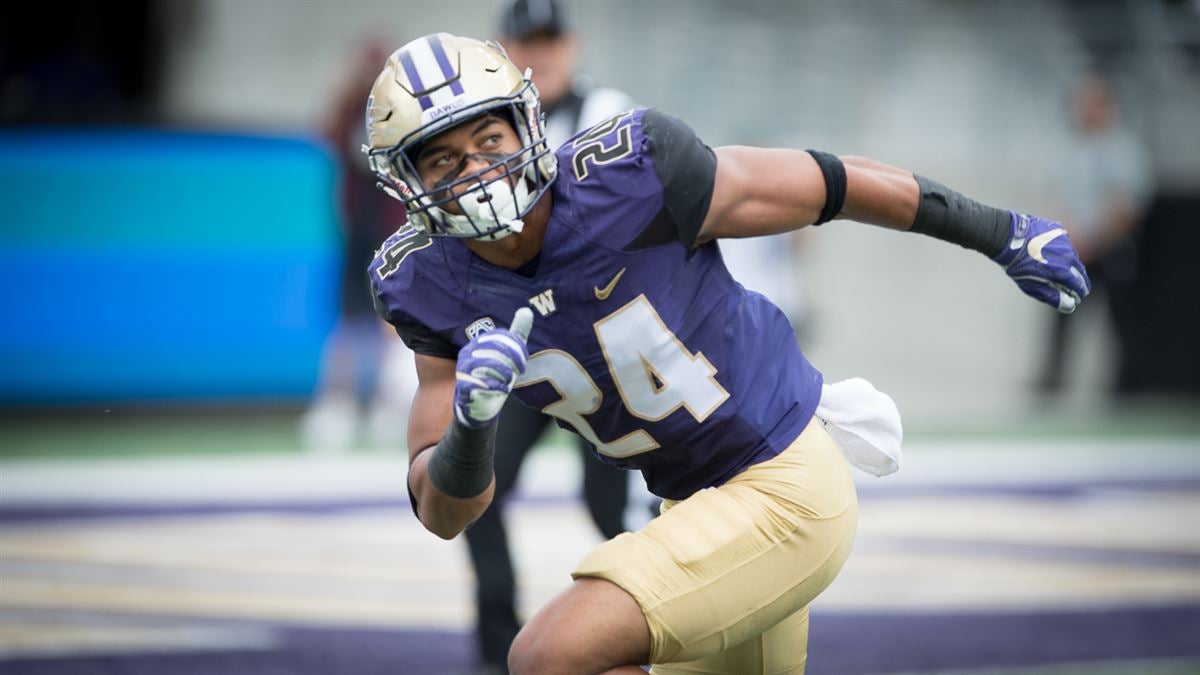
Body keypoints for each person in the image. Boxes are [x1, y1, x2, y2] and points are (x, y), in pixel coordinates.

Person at [364, 34, 1089, 674]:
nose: (479, 170)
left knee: (548, 655)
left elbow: (826, 183)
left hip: (784, 481)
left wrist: (998, 229)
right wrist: (472, 425)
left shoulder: (630, 174)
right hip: (691, 506)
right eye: (444, 159)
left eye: (489, 139)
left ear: (528, 123)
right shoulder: (424, 284)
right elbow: (446, 511)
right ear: (408, 182)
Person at [459, 2, 643, 671]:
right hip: (524, 353)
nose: (541, 55)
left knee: (611, 508)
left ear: (574, 43)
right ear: (502, 48)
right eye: (526, 41)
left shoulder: (611, 112)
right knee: (474, 481)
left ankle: (661, 627)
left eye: (550, 40)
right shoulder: (479, 134)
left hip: (601, 354)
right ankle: (494, 643)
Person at [1038, 74, 1151, 397]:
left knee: (1120, 320)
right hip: (1073, 249)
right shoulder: (1068, 150)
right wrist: (1070, 235)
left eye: (1092, 105)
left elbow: (1127, 204)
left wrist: (1095, 237)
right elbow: (1056, 198)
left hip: (1111, 249)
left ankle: (1129, 386)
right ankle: (1052, 381)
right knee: (1060, 313)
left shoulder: (1124, 149)